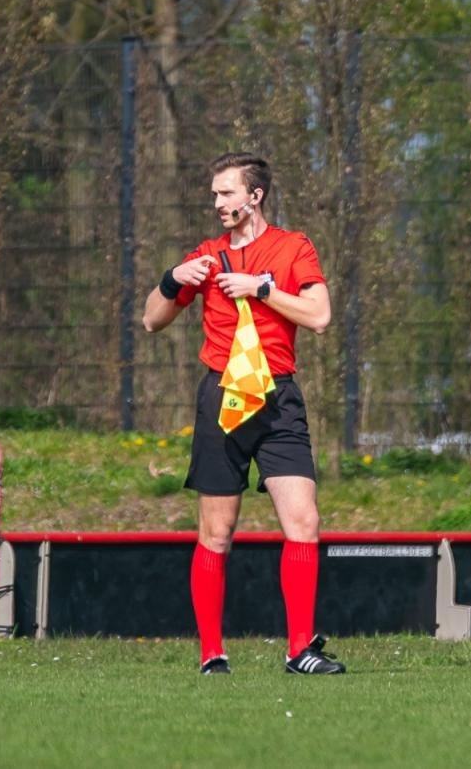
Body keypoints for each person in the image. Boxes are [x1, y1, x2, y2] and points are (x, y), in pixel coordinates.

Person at [142, 152, 344, 675]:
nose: (217, 204)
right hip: (222, 398)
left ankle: (300, 650)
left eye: (226, 193)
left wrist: (264, 289)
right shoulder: (206, 257)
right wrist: (172, 278)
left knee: (304, 520)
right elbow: (151, 322)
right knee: (216, 532)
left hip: (278, 398)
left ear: (254, 197)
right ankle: (212, 654)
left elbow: (320, 315)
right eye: (214, 195)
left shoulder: (293, 247)